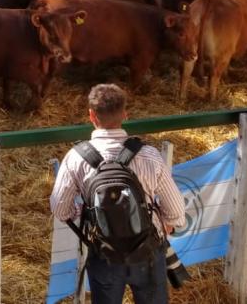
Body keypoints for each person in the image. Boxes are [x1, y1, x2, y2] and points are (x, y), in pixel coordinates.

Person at [50, 84, 185, 304]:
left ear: (91, 115)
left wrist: (85, 212)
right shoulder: (149, 155)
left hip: (104, 254)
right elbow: (177, 211)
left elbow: (59, 208)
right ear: (124, 114)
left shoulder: (76, 158)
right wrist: (167, 223)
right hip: (148, 251)